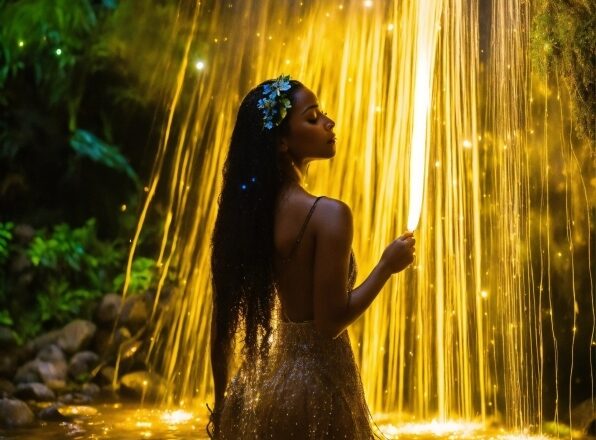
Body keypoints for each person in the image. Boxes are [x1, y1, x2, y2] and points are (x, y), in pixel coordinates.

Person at [209, 75, 415, 439]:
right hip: (321, 390)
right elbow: (330, 322)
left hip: (271, 384)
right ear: (282, 143)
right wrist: (386, 266)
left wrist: (223, 404)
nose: (328, 122)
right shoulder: (329, 214)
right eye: (313, 117)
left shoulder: (253, 216)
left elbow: (222, 322)